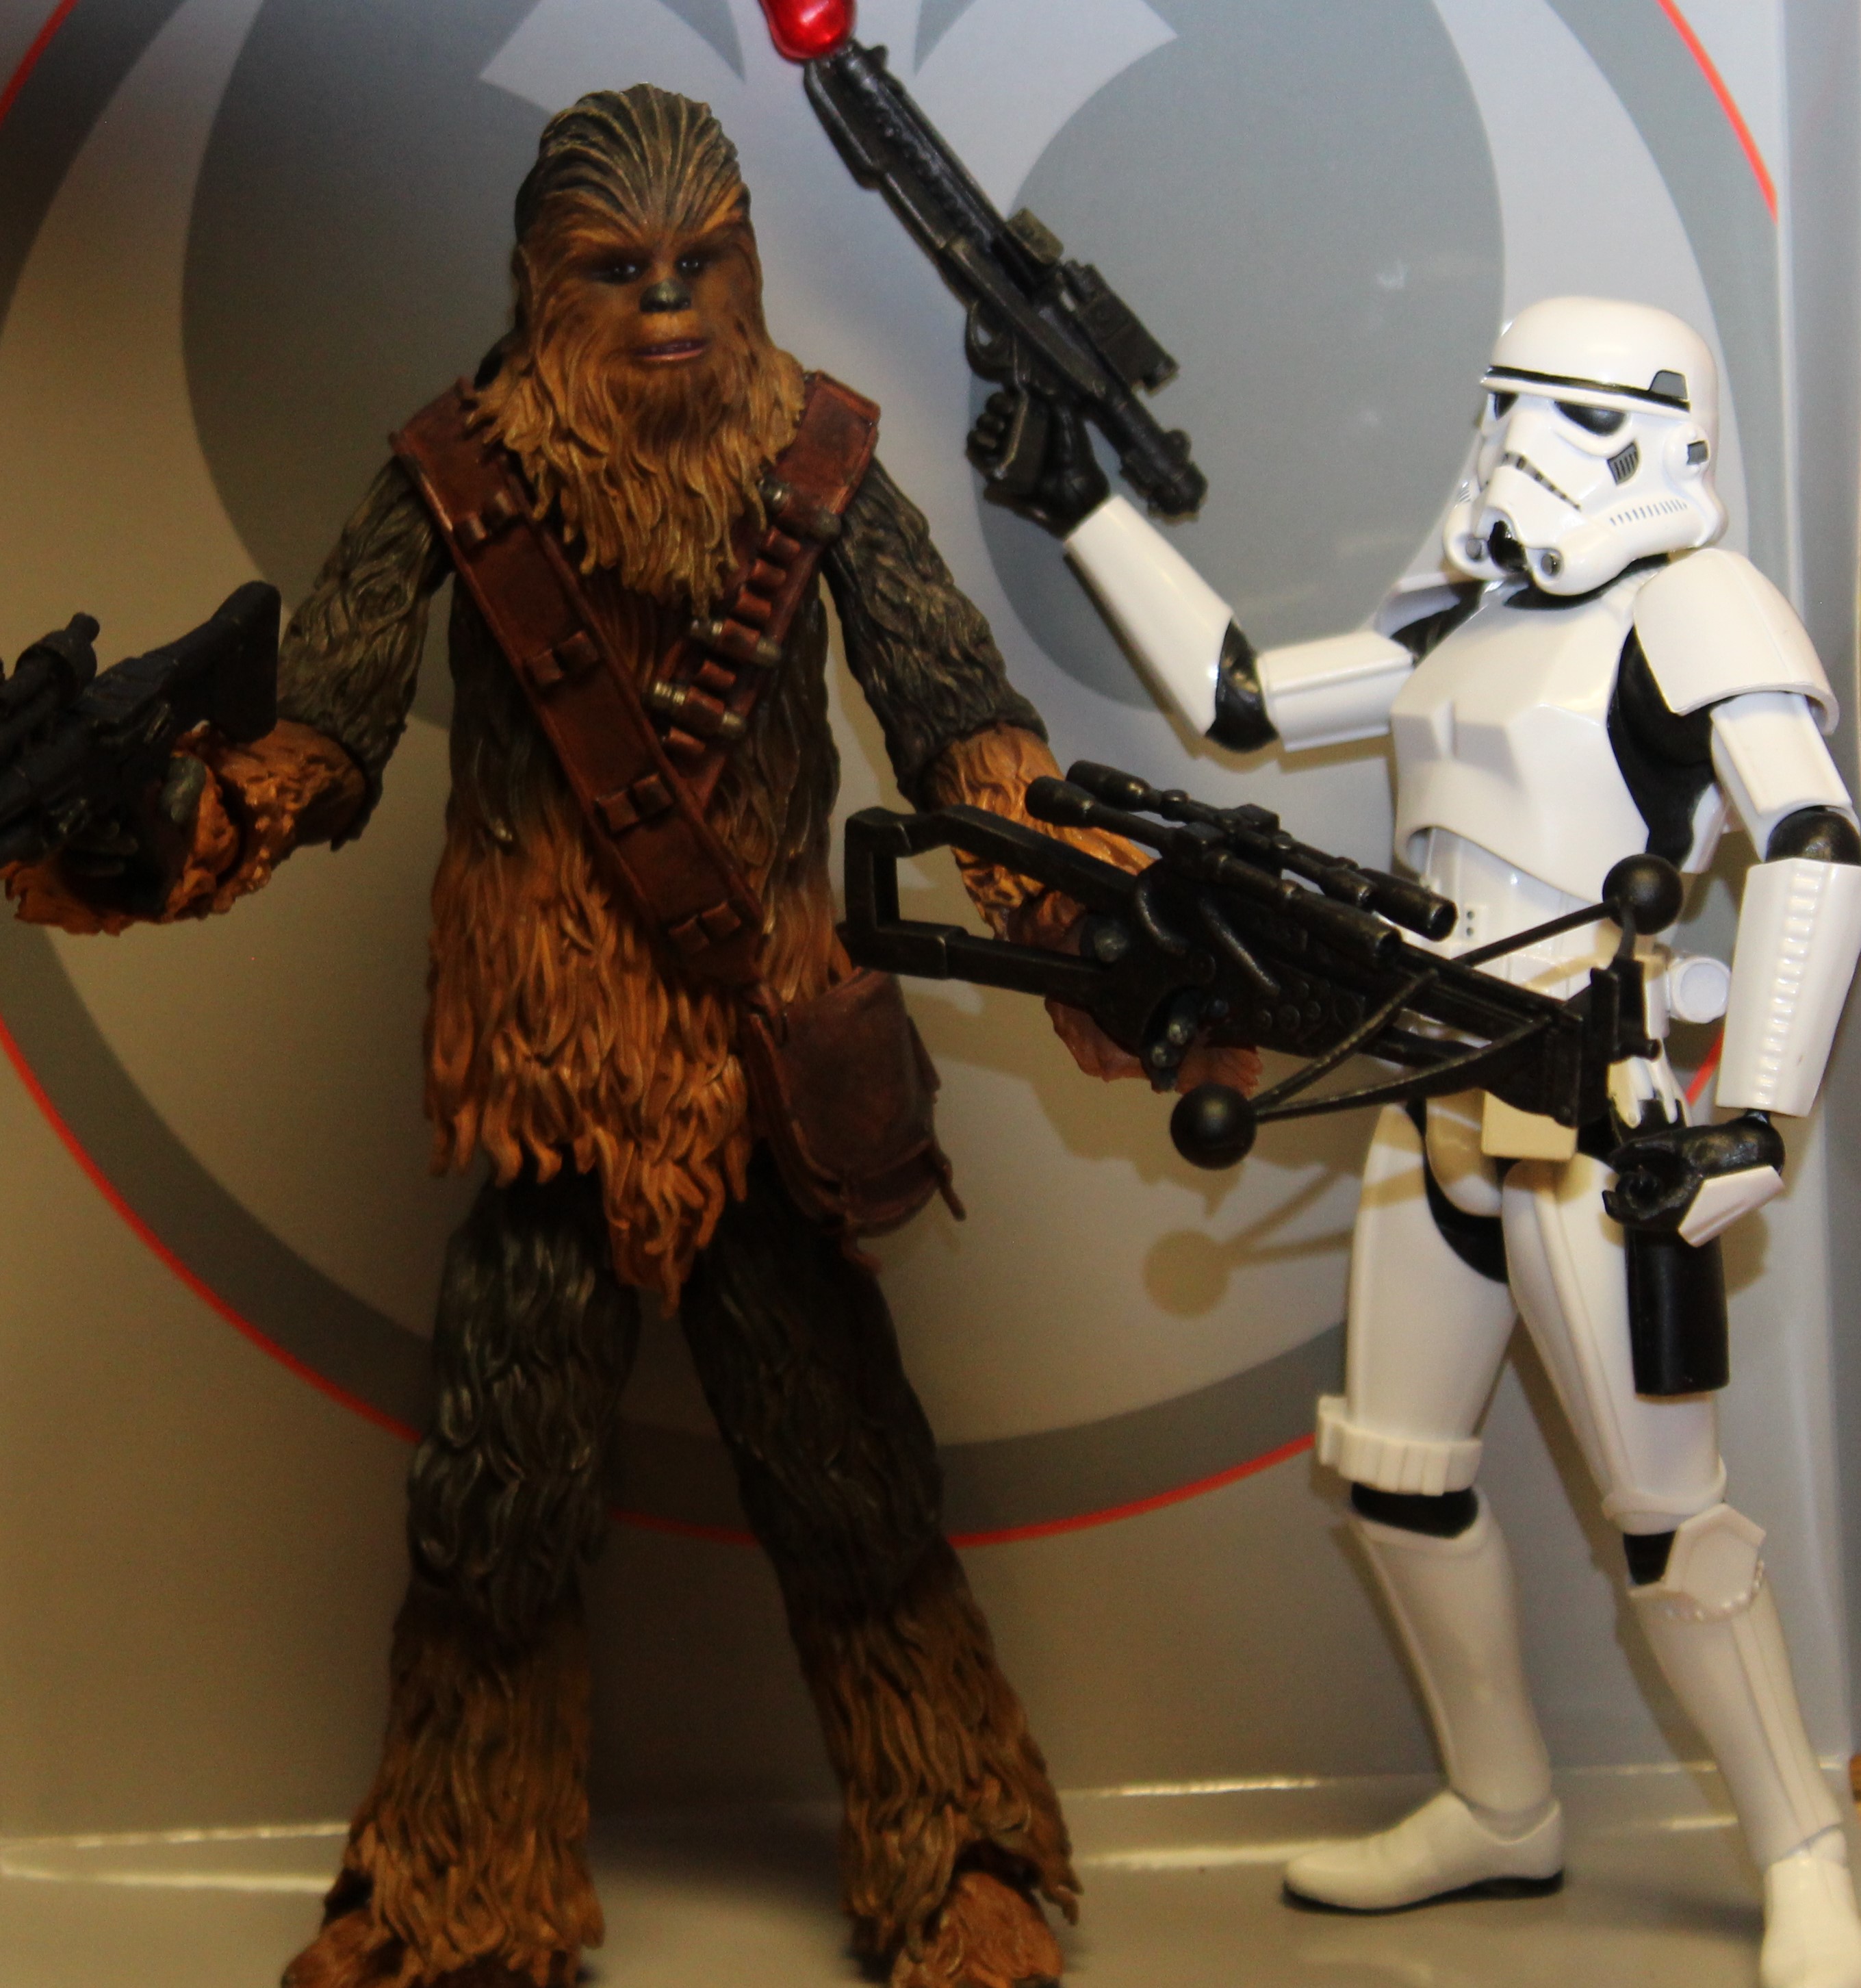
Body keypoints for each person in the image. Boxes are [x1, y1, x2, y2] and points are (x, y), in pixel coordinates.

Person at [7, 84, 1218, 1988]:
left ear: (747, 264)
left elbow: (962, 723)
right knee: (491, 1512)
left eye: (699, 263)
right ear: (537, 283)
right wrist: (157, 836)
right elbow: (317, 739)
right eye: (617, 270)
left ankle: (964, 1854)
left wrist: (1085, 920)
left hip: (767, 1069)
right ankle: (451, 1896)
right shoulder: (450, 476)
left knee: (853, 1488)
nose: (667, 303)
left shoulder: (822, 461)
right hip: (551, 1086)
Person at [975, 295, 1861, 1988]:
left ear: (1667, 441)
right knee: (1395, 1475)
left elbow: (1814, 840)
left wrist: (1755, 1114)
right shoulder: (1464, 615)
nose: (1522, 447)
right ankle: (1499, 1804)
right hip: (1429, 1096)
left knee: (1670, 1524)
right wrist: (1081, 503)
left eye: (1570, 416)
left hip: (1595, 1112)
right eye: (1507, 404)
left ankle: (1802, 1847)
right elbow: (1243, 702)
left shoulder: (1692, 609)